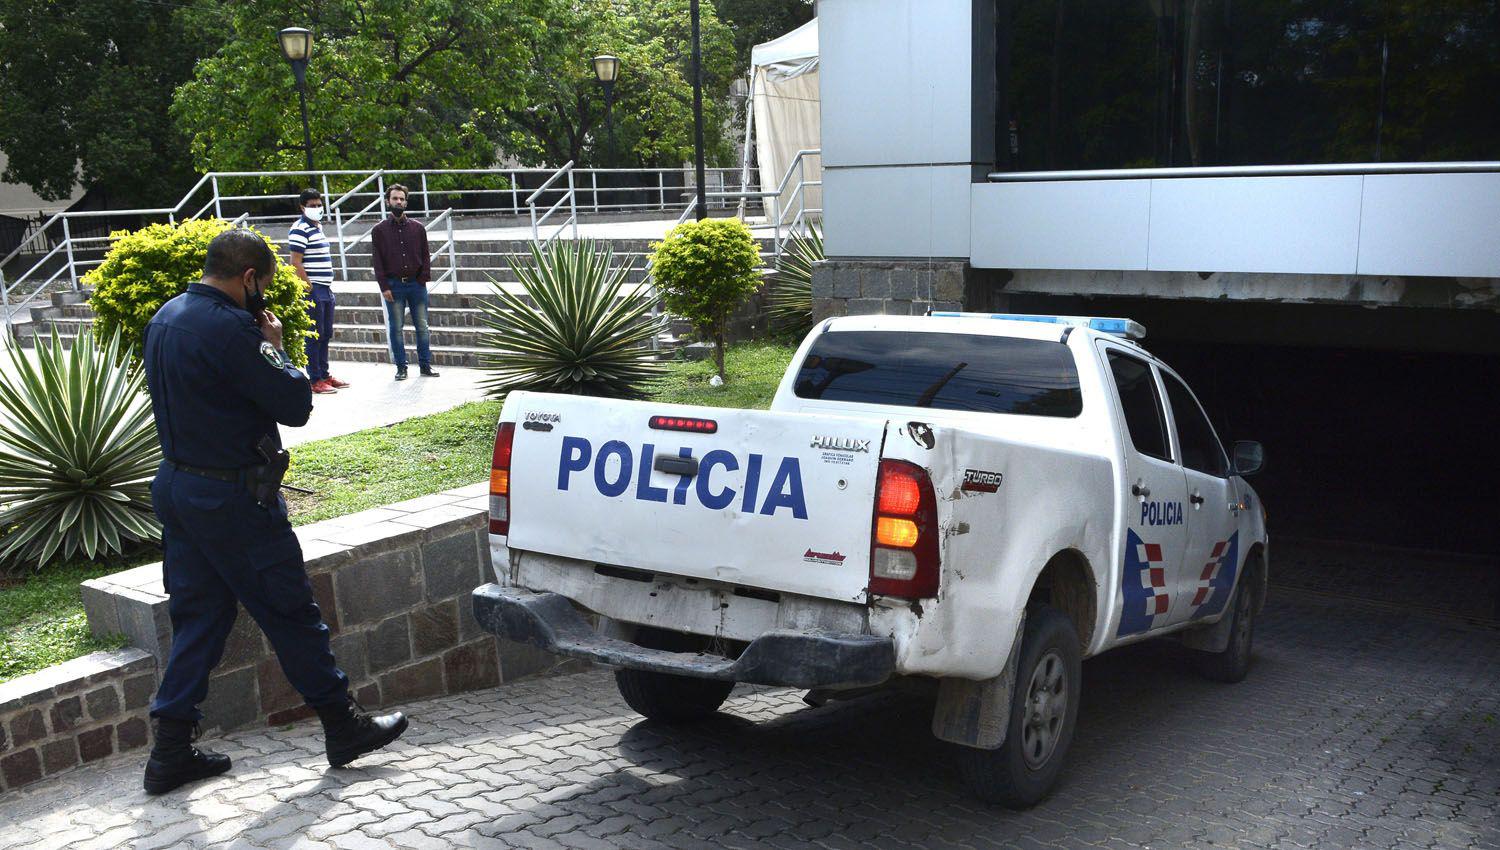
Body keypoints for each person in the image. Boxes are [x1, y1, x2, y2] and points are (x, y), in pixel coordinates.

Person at [139, 229, 408, 794]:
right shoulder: (235, 329)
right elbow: (295, 405)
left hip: (179, 488)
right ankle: (343, 724)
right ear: (250, 278)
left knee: (200, 615)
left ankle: (169, 751)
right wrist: (279, 347)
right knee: (290, 610)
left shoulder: (166, 315)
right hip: (233, 497)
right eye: (263, 283)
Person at [370, 183, 439, 380]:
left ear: (406, 202)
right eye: (394, 199)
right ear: (387, 201)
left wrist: (423, 279)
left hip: (416, 284)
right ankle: (402, 368)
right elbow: (377, 261)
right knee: (396, 328)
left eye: (401, 199)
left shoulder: (418, 228)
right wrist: (384, 286)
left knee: (422, 326)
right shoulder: (379, 230)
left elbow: (426, 255)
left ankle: (425, 365)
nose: (398, 202)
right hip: (394, 286)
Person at [287, 189, 346, 394]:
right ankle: (314, 379)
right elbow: (295, 262)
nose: (317, 209)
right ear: (302, 207)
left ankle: (324, 374)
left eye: (319, 205)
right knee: (314, 335)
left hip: (325, 288)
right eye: (312, 206)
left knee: (325, 333)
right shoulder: (300, 229)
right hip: (313, 290)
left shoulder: (317, 227)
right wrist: (308, 287)